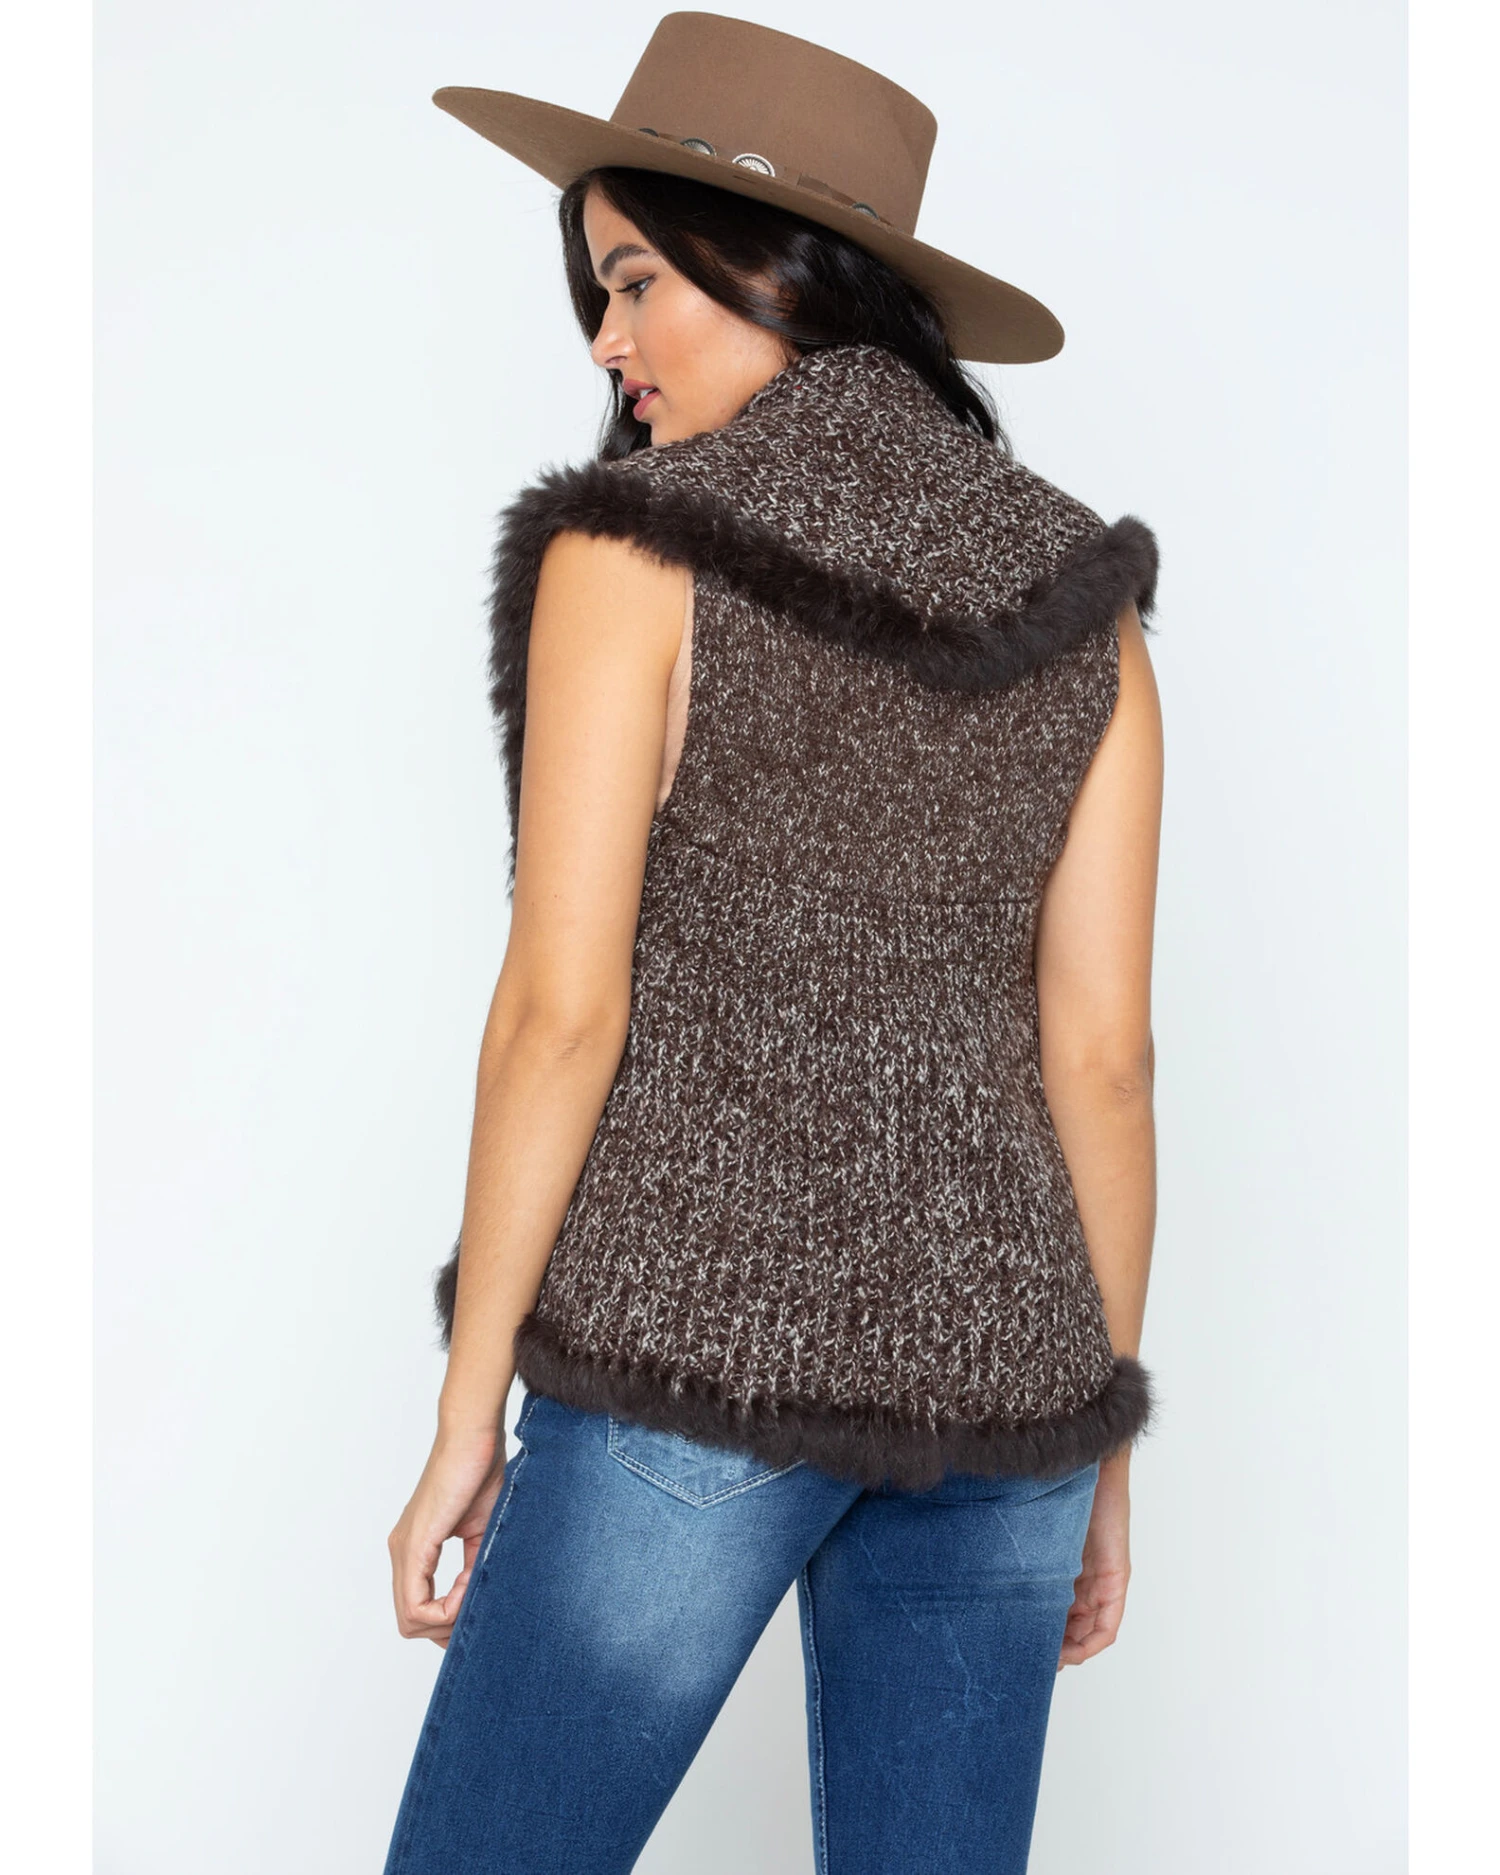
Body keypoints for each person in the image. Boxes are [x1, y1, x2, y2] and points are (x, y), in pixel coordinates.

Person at [382, 16, 1162, 1874]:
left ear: (775, 270)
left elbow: (560, 1011)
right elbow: (1104, 1056)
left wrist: (467, 1411)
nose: (606, 341)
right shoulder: (1085, 604)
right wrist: (1101, 1445)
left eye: (635, 279)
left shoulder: (638, 550)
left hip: (687, 1364)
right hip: (1010, 1390)